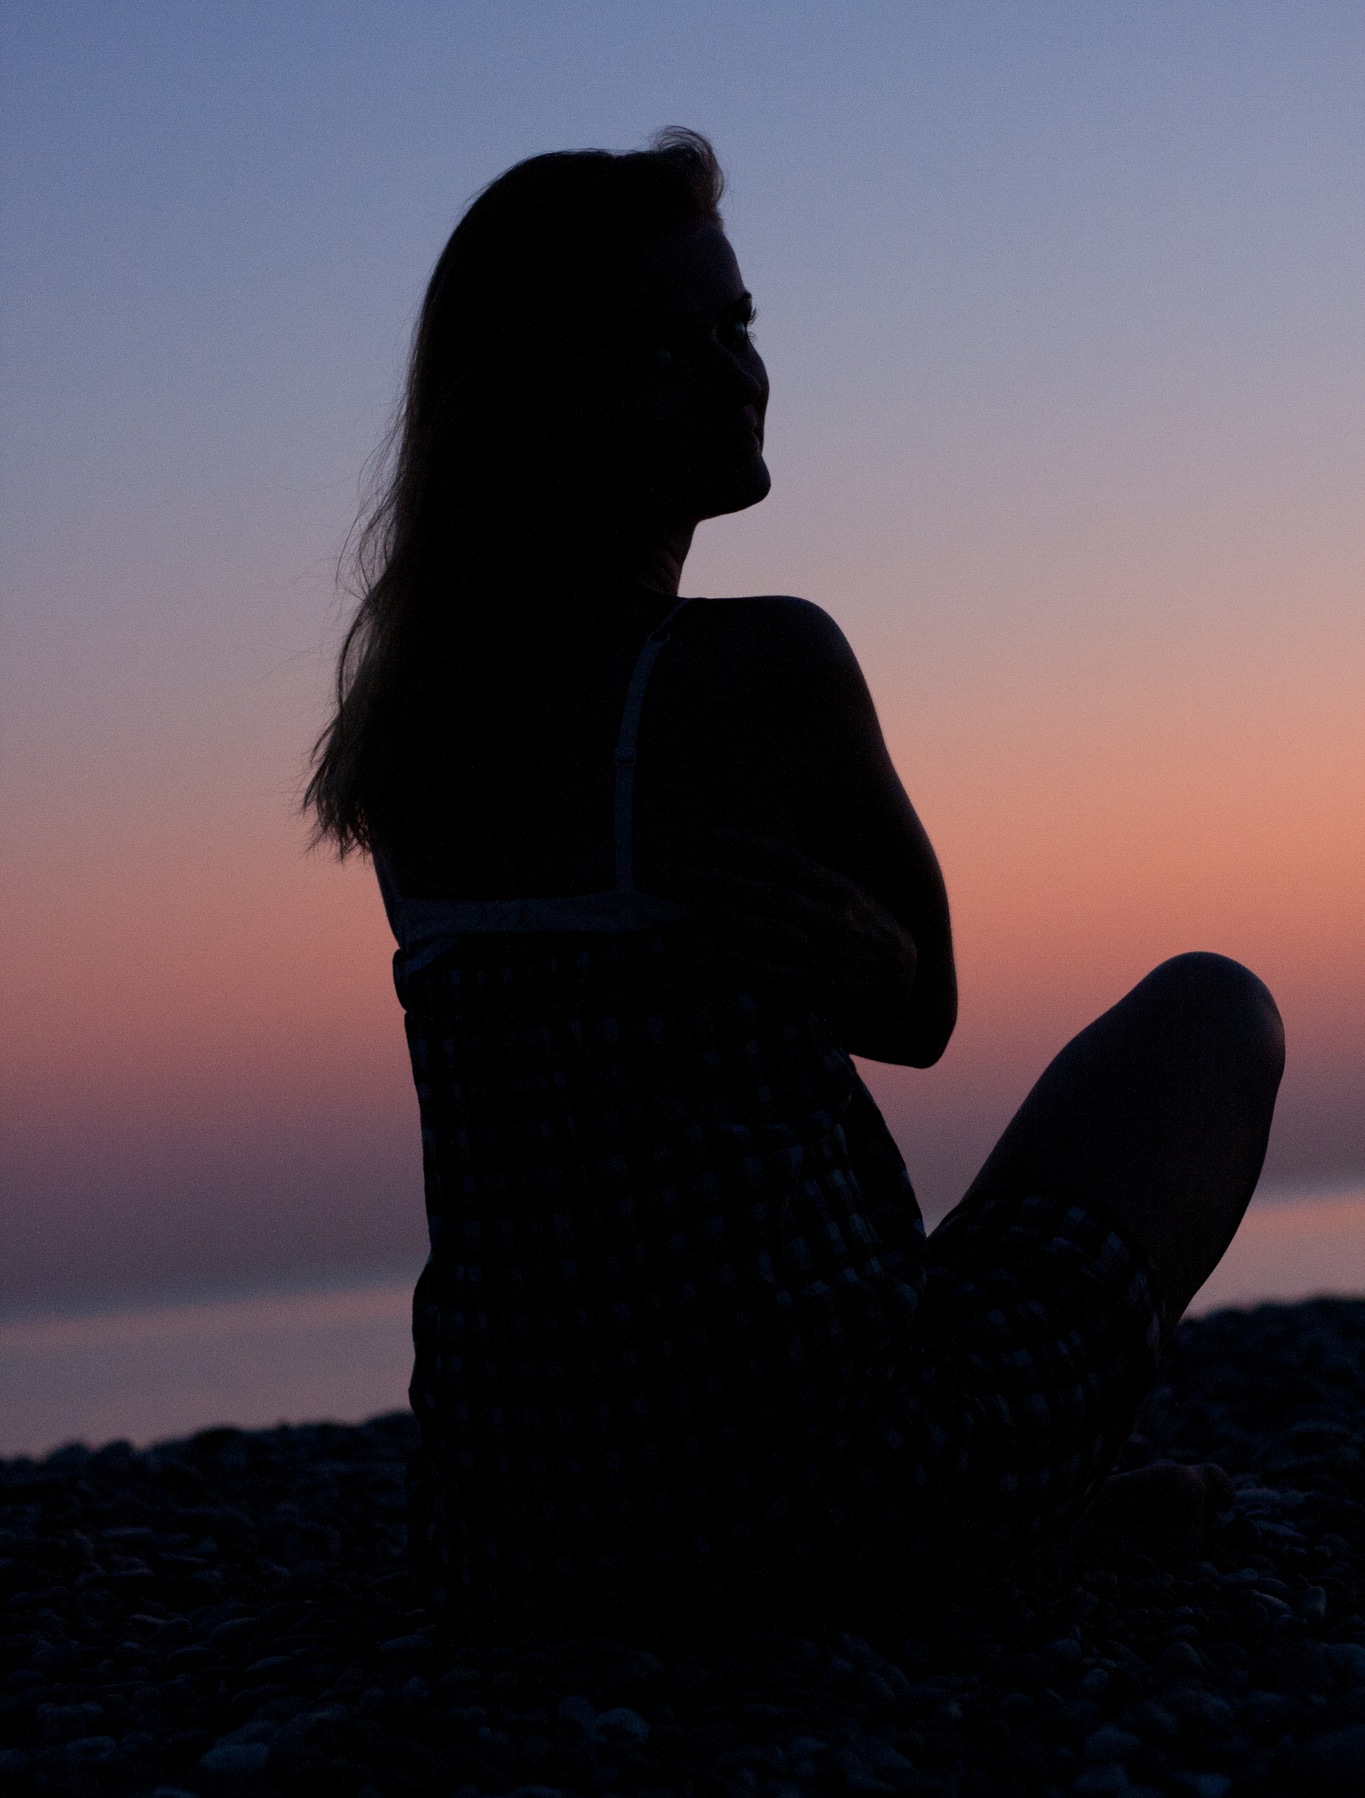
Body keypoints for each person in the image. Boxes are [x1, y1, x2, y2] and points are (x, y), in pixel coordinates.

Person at [306, 132, 1283, 1630]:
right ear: (548, 406)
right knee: (1214, 1012)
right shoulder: (764, 663)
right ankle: (1000, 1530)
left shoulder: (413, 737)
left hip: (515, 1533)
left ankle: (1030, 1524)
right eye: (663, 350)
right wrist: (876, 968)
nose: (733, 375)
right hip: (823, 1496)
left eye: (736, 325)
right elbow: (925, 1014)